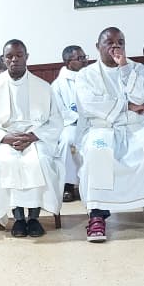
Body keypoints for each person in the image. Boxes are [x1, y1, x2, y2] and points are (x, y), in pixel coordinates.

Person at [76, 28, 144, 242]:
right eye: (109, 42)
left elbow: (142, 96)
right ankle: (97, 216)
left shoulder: (136, 68)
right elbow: (90, 104)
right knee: (98, 153)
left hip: (136, 126)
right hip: (102, 128)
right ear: (98, 46)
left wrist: (124, 68)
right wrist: (127, 105)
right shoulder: (86, 74)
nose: (115, 46)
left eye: (120, 42)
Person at [0, 39, 63, 237]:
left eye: (19, 55)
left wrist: (33, 136)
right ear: (4, 59)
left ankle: (34, 218)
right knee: (6, 163)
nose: (14, 59)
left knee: (39, 162)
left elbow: (56, 120)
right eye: (9, 56)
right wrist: (5, 137)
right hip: (5, 140)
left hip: (36, 138)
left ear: (26, 57)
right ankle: (19, 219)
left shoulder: (43, 86)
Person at [51, 45, 87, 202]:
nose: (85, 61)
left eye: (84, 57)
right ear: (68, 62)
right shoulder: (58, 85)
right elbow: (60, 110)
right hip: (71, 124)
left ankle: (96, 183)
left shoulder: (91, 77)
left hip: (93, 122)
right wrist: (79, 118)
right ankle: (68, 185)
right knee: (67, 141)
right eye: (80, 58)